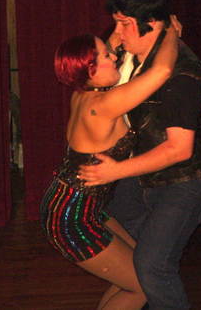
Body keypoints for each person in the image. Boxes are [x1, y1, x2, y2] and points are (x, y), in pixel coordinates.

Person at [78, 0, 201, 309]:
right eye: (116, 22)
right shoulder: (128, 55)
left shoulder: (182, 76)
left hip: (185, 178)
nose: (116, 33)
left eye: (124, 23)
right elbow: (100, 61)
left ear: (153, 23)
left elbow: (179, 149)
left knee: (152, 267)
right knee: (132, 263)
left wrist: (115, 172)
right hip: (141, 174)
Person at [40, 20, 180, 309]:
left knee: (135, 275)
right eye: (106, 55)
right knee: (144, 286)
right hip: (72, 218)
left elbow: (111, 44)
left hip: (80, 206)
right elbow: (162, 71)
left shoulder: (84, 93)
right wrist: (169, 33)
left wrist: (123, 23)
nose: (114, 55)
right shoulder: (103, 105)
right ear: (90, 69)